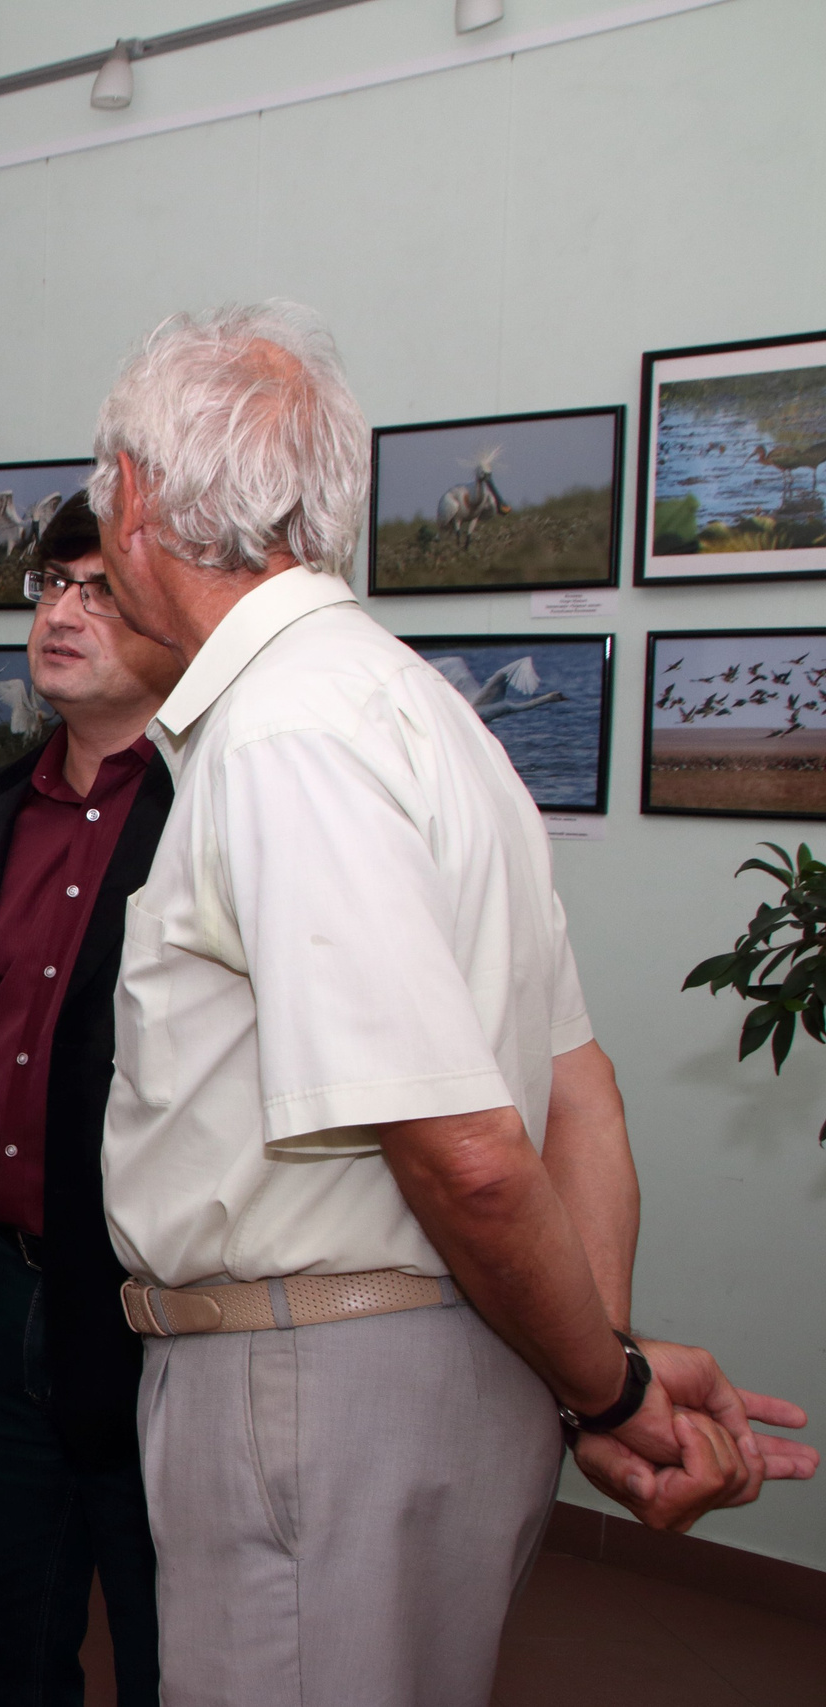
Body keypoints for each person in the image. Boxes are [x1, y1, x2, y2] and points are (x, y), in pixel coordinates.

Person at [87, 302, 818, 1707]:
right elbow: (581, 1088)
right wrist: (587, 1360)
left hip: (311, 1385)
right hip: (460, 1359)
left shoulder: (288, 726)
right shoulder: (427, 712)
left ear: (134, 497)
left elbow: (471, 1151)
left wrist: (602, 1388)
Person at [0, 493, 179, 1707]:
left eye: (97, 589)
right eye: (50, 587)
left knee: (180, 1652)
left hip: (151, 1313)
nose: (61, 612)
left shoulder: (219, 814)